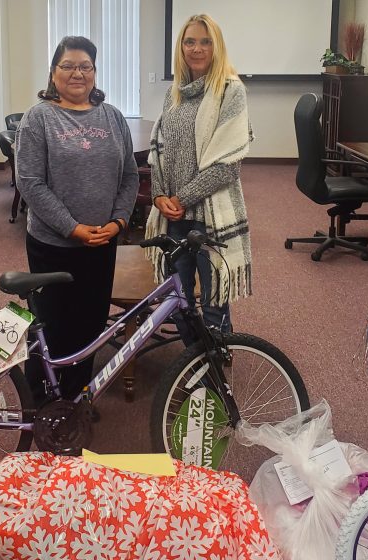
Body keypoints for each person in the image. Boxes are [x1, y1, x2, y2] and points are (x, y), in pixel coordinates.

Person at [15, 36, 139, 401]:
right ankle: (40, 400)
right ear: (53, 72)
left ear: (95, 73)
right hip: (53, 245)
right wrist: (72, 227)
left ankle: (74, 397)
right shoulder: (38, 119)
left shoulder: (113, 117)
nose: (77, 73)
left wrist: (118, 222)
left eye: (85, 66)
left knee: (90, 324)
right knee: (52, 325)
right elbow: (30, 183)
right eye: (68, 65)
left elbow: (129, 175)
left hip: (102, 242)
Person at [145, 13, 253, 344]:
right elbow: (160, 150)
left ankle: (214, 370)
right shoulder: (174, 93)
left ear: (216, 47)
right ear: (181, 47)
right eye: (190, 41)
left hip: (210, 218)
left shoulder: (230, 91)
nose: (197, 48)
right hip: (173, 215)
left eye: (205, 42)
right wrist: (160, 195)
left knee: (213, 301)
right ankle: (194, 358)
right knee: (177, 298)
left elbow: (226, 166)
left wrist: (181, 199)